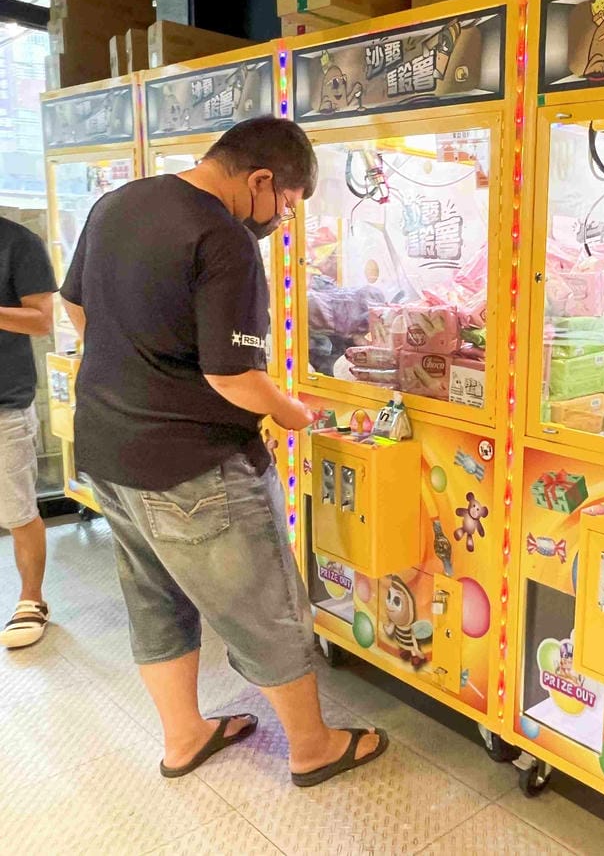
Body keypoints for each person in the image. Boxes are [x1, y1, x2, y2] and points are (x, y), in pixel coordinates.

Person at [60, 117, 387, 785]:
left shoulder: (117, 203)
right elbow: (231, 377)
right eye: (287, 203)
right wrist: (294, 412)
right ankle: (312, 747)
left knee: (154, 599)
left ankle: (184, 737)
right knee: (265, 605)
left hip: (108, 451)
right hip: (194, 466)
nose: (283, 220)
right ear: (260, 180)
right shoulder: (224, 238)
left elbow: (78, 311)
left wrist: (141, 369)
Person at [0, 216, 56, 649]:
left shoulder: (19, 242)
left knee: (17, 509)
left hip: (5, 402)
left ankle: (31, 598)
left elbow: (41, 321)